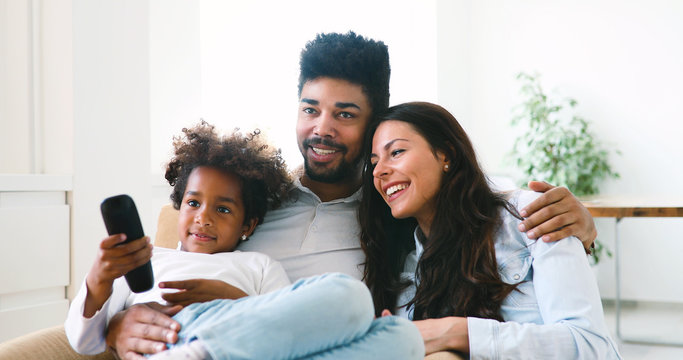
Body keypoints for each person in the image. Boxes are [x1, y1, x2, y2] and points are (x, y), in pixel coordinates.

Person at [105, 32, 599, 359]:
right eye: (310, 109)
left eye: (344, 115)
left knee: (374, 322)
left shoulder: (393, 210)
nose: (322, 129)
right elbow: (173, 268)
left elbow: (471, 200)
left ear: (371, 125)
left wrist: (577, 218)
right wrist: (119, 324)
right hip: (216, 334)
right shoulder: (249, 203)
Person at [65, 122, 423, 359]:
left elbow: (286, 325)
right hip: (176, 333)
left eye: (223, 210)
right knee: (353, 295)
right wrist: (99, 280)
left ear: (247, 225)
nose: (203, 217)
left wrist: (232, 299)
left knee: (403, 337)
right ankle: (199, 353)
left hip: (248, 342)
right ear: (179, 204)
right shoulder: (149, 260)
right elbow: (84, 340)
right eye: (193, 203)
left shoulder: (257, 265)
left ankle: (208, 352)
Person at [361, 102, 621, 358]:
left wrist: (455, 332)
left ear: (446, 155)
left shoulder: (530, 216)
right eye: (374, 162)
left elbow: (590, 347)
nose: (380, 171)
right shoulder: (409, 270)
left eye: (396, 152)